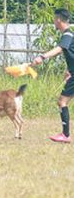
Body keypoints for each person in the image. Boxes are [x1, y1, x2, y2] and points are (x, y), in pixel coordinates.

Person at [32, 8, 74, 143]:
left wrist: (42, 57)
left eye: (54, 20)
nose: (54, 23)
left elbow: (60, 48)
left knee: (62, 101)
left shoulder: (68, 35)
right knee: (63, 101)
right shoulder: (70, 35)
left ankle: (65, 135)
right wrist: (69, 70)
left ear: (58, 20)